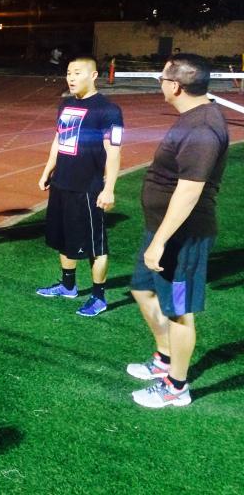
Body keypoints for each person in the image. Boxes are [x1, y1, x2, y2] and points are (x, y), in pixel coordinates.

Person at [128, 54, 228, 408]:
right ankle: (165, 358)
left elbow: (189, 191)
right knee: (142, 290)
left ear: (176, 86)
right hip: (162, 230)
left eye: (162, 78)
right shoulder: (193, 117)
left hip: (183, 237)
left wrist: (160, 241)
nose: (160, 83)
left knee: (180, 311)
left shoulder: (202, 128)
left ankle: (177, 387)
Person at [36, 55, 123, 317]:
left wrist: (109, 189)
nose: (71, 78)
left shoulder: (108, 110)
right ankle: (68, 286)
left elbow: (114, 151)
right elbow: (58, 139)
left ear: (94, 76)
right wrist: (47, 170)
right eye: (68, 73)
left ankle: (99, 297)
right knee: (63, 237)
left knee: (95, 246)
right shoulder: (65, 105)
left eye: (77, 73)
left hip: (88, 187)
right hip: (62, 183)